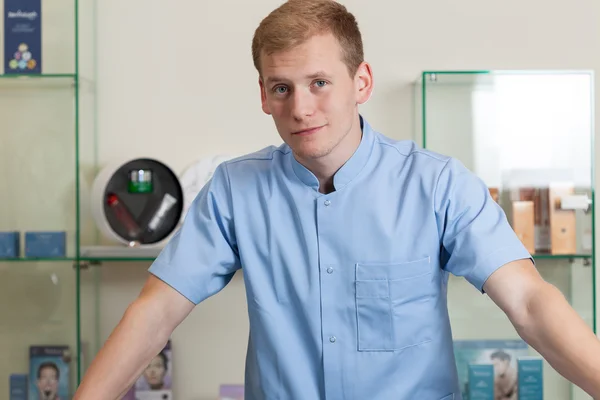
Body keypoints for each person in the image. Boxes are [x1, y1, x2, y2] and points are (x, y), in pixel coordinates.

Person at [74, 1, 600, 399]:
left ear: (361, 81)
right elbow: (154, 313)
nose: (301, 107)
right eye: (281, 88)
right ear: (262, 94)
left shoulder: (438, 185)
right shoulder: (233, 190)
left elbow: (531, 304)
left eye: (319, 82)